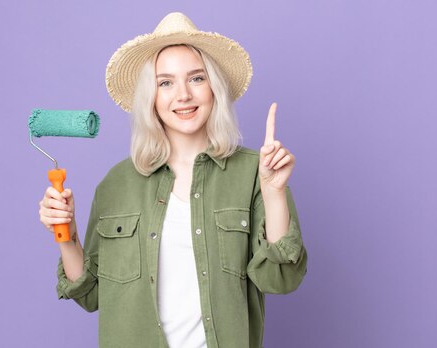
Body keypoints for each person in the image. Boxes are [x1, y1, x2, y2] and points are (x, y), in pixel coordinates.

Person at [38, 12, 307, 348]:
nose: (183, 95)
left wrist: (274, 192)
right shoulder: (116, 184)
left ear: (214, 88)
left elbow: (280, 279)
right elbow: (90, 294)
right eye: (166, 82)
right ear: (151, 97)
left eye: (196, 78)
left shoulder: (256, 173)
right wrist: (68, 235)